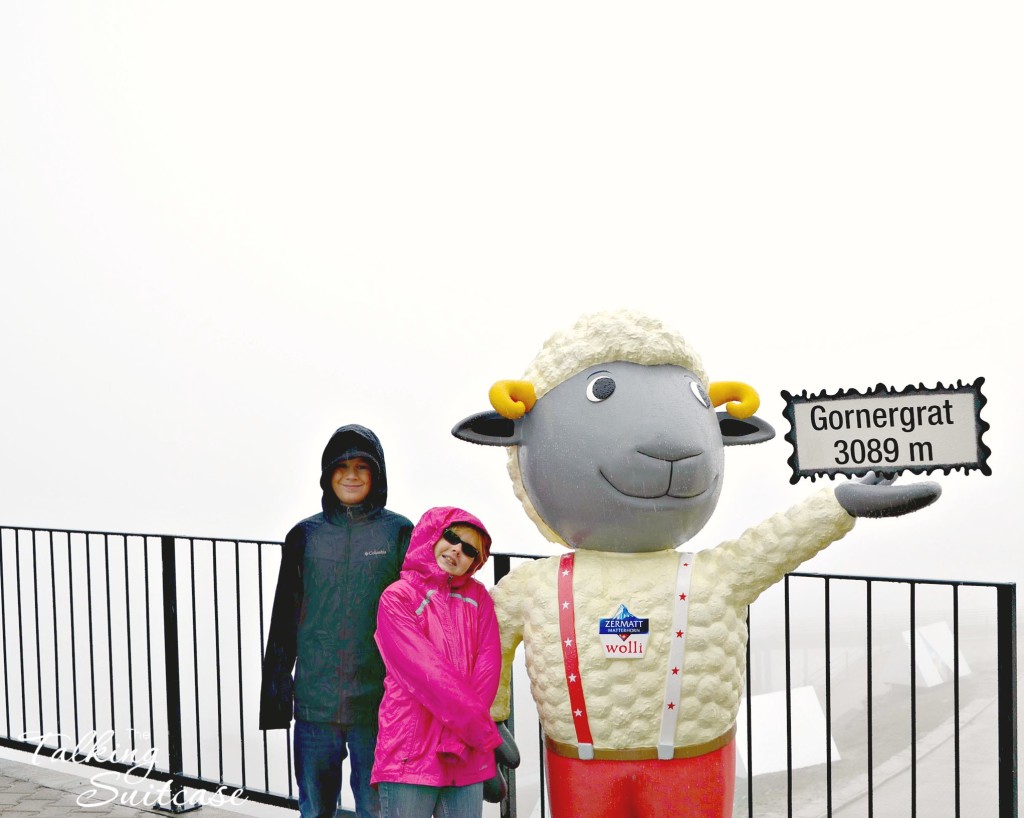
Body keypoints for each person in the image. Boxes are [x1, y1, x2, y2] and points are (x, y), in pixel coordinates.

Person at [260, 424, 413, 818]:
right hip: (315, 704)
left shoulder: (399, 533)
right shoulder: (304, 536)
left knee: (377, 810)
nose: (351, 475)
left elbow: (419, 617)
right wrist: (277, 699)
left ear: (376, 475)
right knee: (315, 810)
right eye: (342, 466)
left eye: (363, 467)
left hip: (378, 706)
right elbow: (284, 621)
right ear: (328, 473)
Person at [371, 506, 504, 818]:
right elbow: (427, 675)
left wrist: (463, 741)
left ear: (475, 562)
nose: (457, 549)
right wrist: (483, 736)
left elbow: (488, 671)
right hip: (411, 752)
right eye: (452, 537)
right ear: (433, 535)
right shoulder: (397, 597)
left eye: (470, 550)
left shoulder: (479, 598)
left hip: (465, 754)